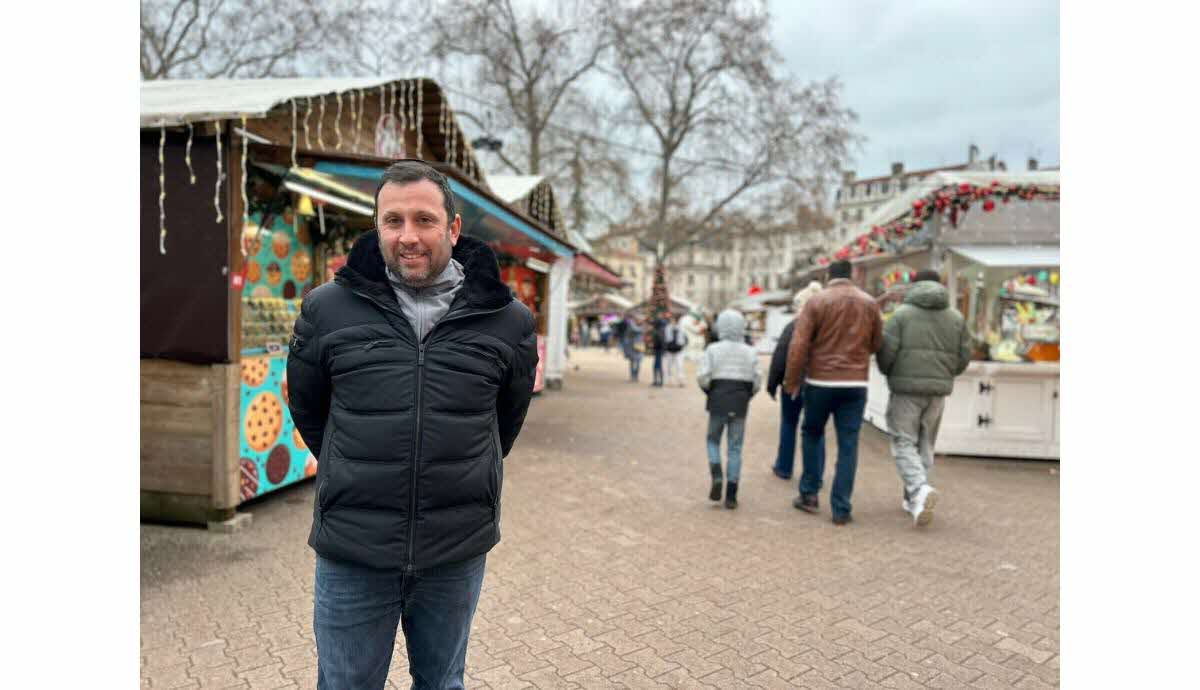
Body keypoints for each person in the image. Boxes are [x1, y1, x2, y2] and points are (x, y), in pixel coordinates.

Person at [287, 160, 538, 690]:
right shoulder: (326, 310)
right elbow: (312, 414)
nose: (408, 237)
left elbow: (502, 426)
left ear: (452, 228)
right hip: (353, 549)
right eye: (392, 221)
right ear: (375, 227)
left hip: (454, 549)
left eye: (424, 220)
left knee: (443, 682)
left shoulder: (509, 321)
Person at [783, 260, 883, 525]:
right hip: (855, 383)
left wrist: (792, 381)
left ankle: (810, 494)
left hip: (821, 381)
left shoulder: (816, 302)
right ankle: (841, 507)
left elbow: (799, 343)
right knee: (848, 444)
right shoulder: (869, 303)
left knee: (812, 433)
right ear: (852, 276)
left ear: (829, 276)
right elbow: (876, 343)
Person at [876, 269, 973, 527]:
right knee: (925, 443)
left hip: (905, 390)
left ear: (914, 286)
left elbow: (886, 353)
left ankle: (919, 489)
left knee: (903, 441)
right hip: (937, 392)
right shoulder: (956, 318)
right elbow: (964, 355)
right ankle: (914, 501)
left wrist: (890, 372)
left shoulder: (901, 316)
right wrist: (945, 374)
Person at [697, 309, 762, 509]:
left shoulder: (713, 349)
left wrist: (708, 390)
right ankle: (732, 494)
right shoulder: (750, 351)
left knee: (712, 439)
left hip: (718, 398)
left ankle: (716, 471)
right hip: (740, 400)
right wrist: (749, 394)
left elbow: (703, 376)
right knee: (735, 447)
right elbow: (757, 379)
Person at [766, 282, 824, 480]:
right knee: (817, 429)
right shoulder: (827, 327)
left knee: (789, 424)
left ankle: (784, 466)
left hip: (794, 383)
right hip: (819, 383)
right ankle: (816, 472)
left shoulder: (794, 325)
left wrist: (772, 384)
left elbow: (780, 355)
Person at [663, 315, 688, 386]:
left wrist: (681, 345)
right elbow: (665, 339)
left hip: (679, 350)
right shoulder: (667, 328)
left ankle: (681, 381)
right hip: (669, 350)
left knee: (680, 366)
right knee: (669, 366)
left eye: (674, 320)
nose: (672, 322)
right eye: (671, 320)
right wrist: (666, 346)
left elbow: (685, 339)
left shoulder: (681, 329)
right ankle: (669, 381)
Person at [620, 314, 644, 381]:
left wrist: (631, 322)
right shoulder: (632, 325)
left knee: (639, 361)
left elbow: (637, 330)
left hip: (640, 346)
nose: (639, 321)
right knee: (632, 361)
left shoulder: (641, 326)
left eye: (640, 320)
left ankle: (636, 376)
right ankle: (632, 376)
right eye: (638, 319)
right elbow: (633, 330)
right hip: (632, 346)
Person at [650, 318, 666, 386]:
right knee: (657, 366)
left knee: (657, 366)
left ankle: (659, 381)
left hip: (658, 351)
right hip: (659, 351)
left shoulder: (658, 331)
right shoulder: (661, 331)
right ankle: (658, 381)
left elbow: (660, 342)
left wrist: (653, 345)